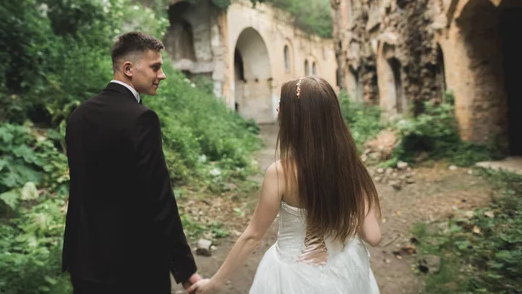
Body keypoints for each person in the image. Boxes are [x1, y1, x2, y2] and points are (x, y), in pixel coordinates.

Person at [189, 77, 382, 294]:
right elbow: (373, 237)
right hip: (345, 272)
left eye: (283, 103)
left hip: (293, 277)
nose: (278, 108)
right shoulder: (352, 168)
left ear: (296, 119)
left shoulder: (280, 173)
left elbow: (253, 236)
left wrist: (214, 283)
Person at [62, 31, 201, 293]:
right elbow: (159, 199)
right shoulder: (141, 119)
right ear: (128, 68)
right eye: (155, 67)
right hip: (134, 265)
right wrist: (185, 270)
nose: (162, 75)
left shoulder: (78, 116)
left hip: (84, 260)